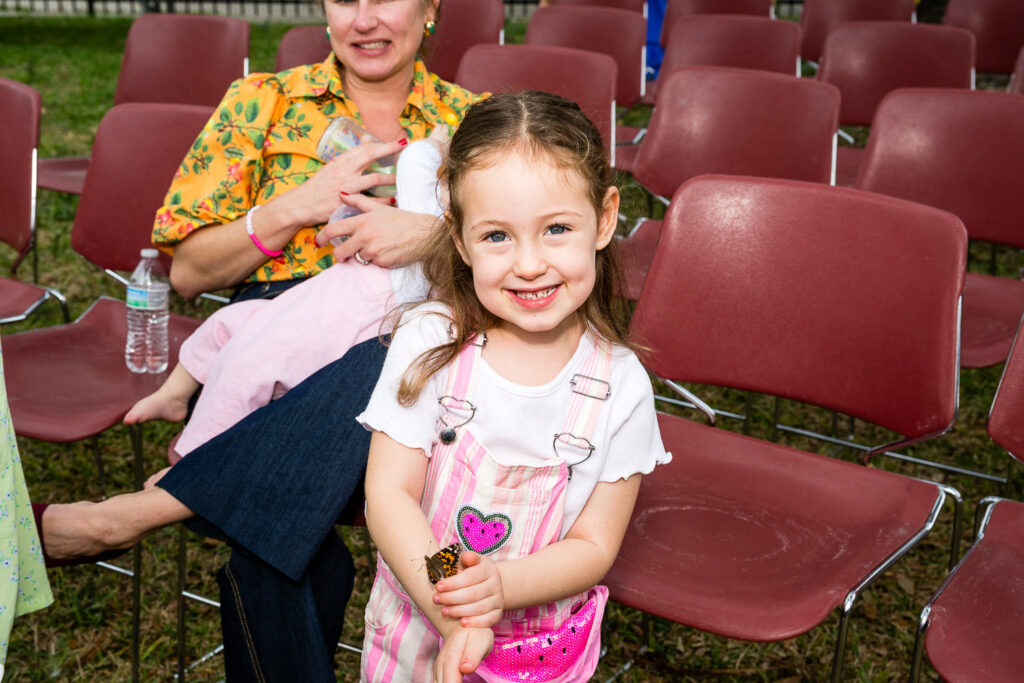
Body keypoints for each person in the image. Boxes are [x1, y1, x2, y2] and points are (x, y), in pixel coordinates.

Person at [40, 0, 483, 679]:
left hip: (417, 356)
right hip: (270, 346)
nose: (363, 18)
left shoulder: (476, 121)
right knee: (290, 539)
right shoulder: (263, 101)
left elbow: (542, 252)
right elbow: (188, 272)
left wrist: (433, 239)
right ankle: (202, 490)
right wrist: (296, 206)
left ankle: (153, 504)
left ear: (431, 8)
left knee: (374, 370)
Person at [358, 91, 671, 682]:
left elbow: (593, 546)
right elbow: (391, 497)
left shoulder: (621, 385)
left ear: (604, 219)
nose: (529, 264)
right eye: (497, 236)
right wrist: (454, 610)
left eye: (556, 228)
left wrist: (498, 586)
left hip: (540, 652)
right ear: (458, 237)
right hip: (421, 623)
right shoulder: (429, 341)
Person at [126, 128, 449, 460]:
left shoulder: (443, 213)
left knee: (249, 367)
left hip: (347, 316)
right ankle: (174, 395)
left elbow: (415, 164)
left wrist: (435, 145)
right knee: (230, 322)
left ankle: (189, 464)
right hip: (324, 293)